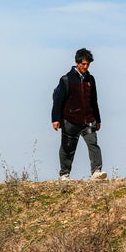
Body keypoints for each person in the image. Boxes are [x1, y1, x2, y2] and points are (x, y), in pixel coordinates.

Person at [51, 48, 106, 181]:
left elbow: (94, 101)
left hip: (88, 119)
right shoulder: (66, 79)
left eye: (88, 64)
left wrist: (98, 119)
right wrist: (56, 119)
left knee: (93, 144)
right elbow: (58, 100)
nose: (86, 67)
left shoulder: (90, 79)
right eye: (83, 64)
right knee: (67, 148)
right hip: (70, 120)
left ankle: (96, 172)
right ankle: (64, 174)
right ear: (77, 62)